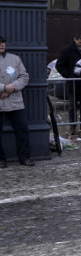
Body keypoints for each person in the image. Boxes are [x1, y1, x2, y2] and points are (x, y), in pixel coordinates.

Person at [0, 36, 33, 167]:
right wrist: (3, 87)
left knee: (22, 130)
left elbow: (24, 76)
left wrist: (11, 88)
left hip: (15, 101)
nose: (1, 45)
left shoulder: (15, 59)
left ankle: (24, 157)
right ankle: (1, 159)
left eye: (3, 43)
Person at [55, 32, 81, 133]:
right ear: (75, 39)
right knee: (72, 106)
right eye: (79, 41)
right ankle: (72, 126)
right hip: (72, 82)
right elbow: (59, 65)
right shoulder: (66, 50)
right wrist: (69, 75)